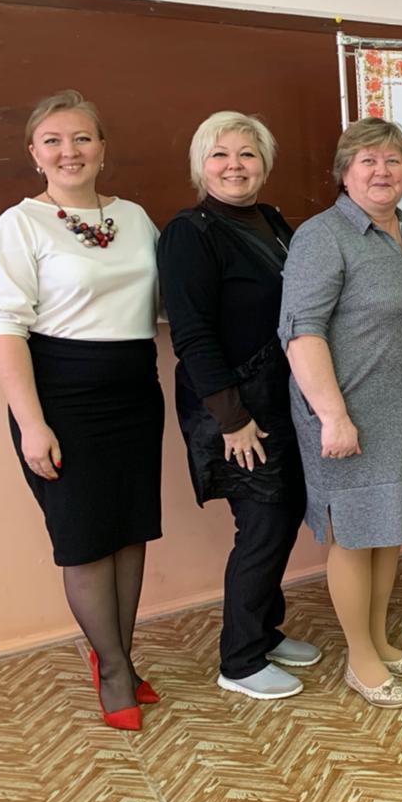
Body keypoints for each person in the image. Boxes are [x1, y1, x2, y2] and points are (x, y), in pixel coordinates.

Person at [0, 90, 163, 731]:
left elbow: (166, 299)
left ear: (102, 149)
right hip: (62, 401)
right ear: (34, 153)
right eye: (53, 140)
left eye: (82, 138)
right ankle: (113, 672)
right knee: (84, 540)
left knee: (129, 531)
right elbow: (6, 330)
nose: (69, 151)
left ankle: (120, 656)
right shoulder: (19, 225)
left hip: (135, 395)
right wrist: (32, 424)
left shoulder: (134, 218)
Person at [280, 118, 402, 708]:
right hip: (348, 413)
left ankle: (378, 639)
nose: (382, 171)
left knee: (388, 530)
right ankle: (360, 658)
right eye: (367, 161)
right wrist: (333, 416)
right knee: (355, 536)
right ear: (344, 172)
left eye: (393, 161)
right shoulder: (322, 236)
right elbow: (301, 332)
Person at [157, 111, 320, 701]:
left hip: (281, 396)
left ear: (265, 164)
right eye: (220, 154)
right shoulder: (189, 233)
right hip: (234, 407)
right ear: (200, 166)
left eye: (247, 154)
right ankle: (241, 660)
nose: (235, 166)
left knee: (281, 513)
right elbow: (193, 334)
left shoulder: (271, 220)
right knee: (262, 522)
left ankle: (265, 632)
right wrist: (233, 420)